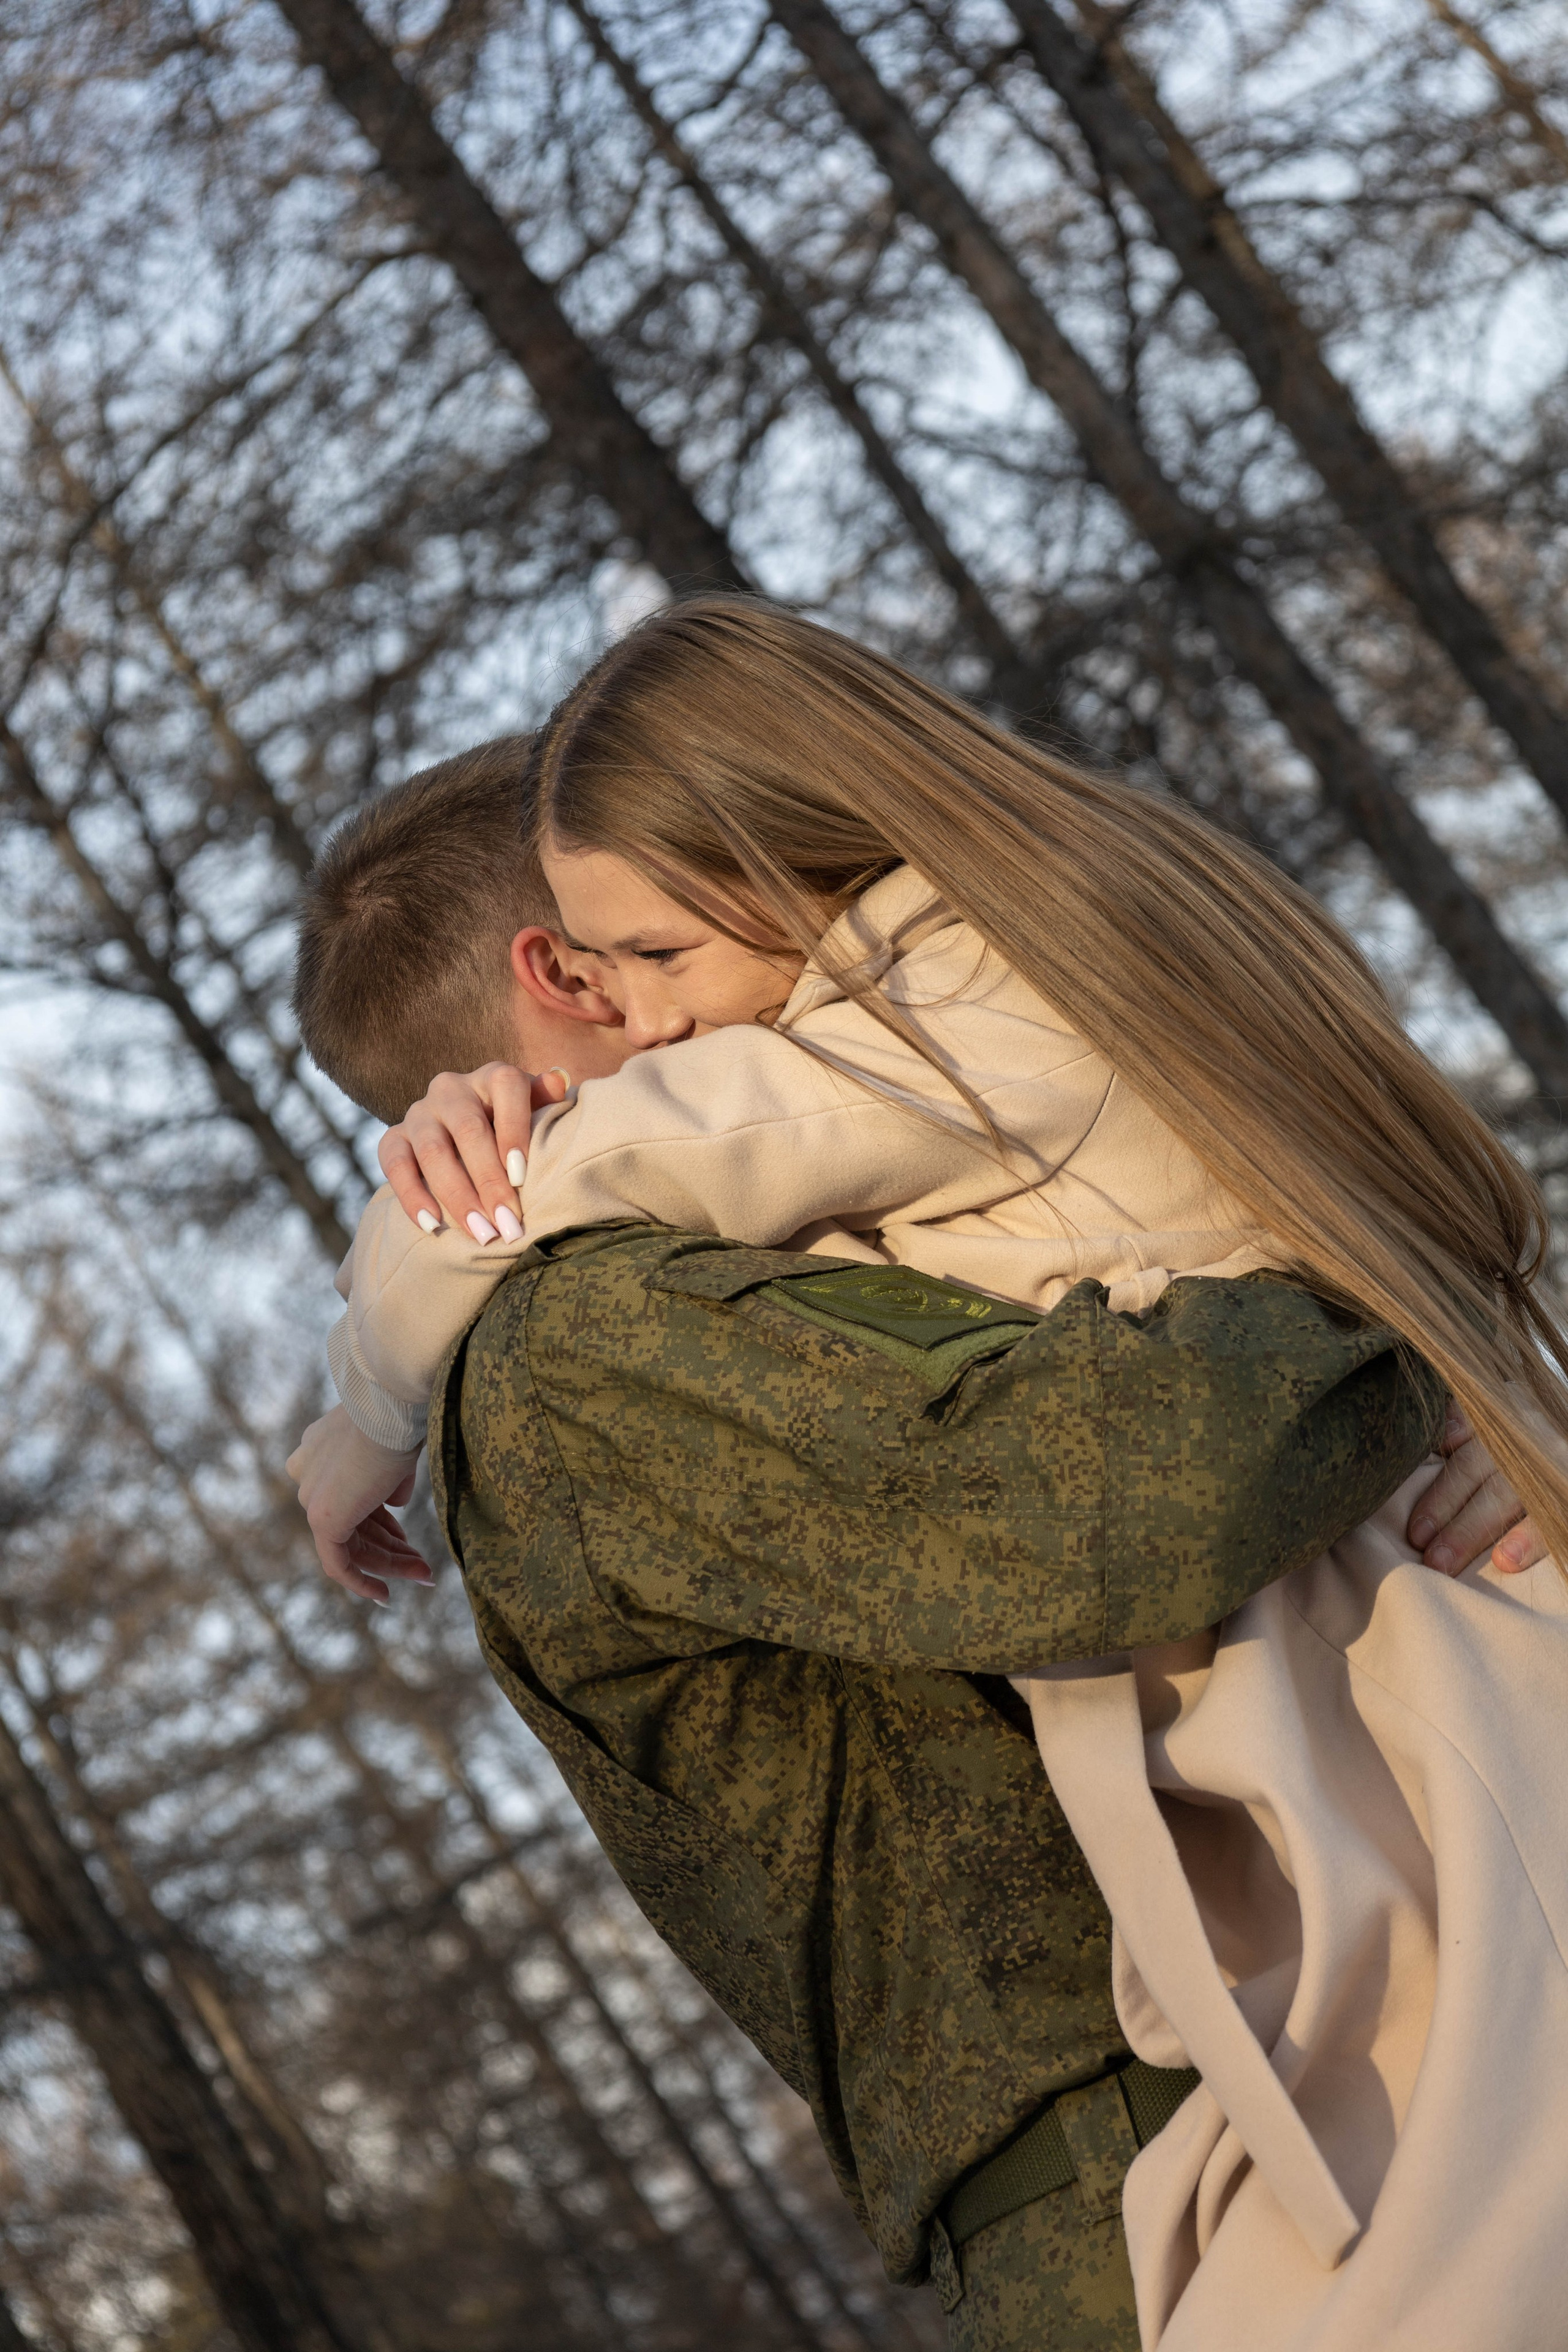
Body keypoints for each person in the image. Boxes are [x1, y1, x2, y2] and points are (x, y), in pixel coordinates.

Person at [285, 602, 1552, 2342]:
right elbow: (1135, 1494)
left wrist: (367, 1389)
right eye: (619, 967)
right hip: (1161, 2080)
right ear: (553, 977)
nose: (656, 1020)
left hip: (1309, 1913)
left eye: (660, 951)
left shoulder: (921, 1031)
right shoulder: (589, 1337)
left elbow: (1151, 1471)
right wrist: (1413, 1327)